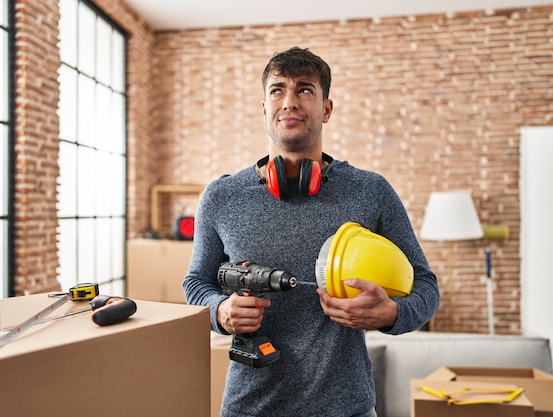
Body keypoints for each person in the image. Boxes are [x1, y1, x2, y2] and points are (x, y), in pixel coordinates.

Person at [183, 46, 440, 417]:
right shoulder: (221, 196)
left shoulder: (371, 191)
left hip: (347, 408)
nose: (289, 102)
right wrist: (220, 310)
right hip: (250, 407)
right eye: (277, 90)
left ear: (327, 109)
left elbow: (426, 287)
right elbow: (196, 284)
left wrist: (390, 314)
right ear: (264, 109)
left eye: (304, 89)